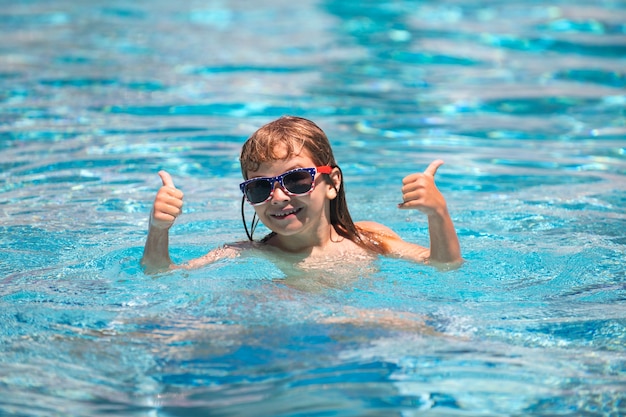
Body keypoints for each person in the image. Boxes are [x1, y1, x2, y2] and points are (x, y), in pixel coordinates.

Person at [141, 116, 462, 274]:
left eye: (295, 180)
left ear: (332, 182)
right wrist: (158, 230)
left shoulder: (371, 238)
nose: (278, 197)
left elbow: (443, 266)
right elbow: (162, 275)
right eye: (259, 187)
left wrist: (438, 213)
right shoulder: (242, 254)